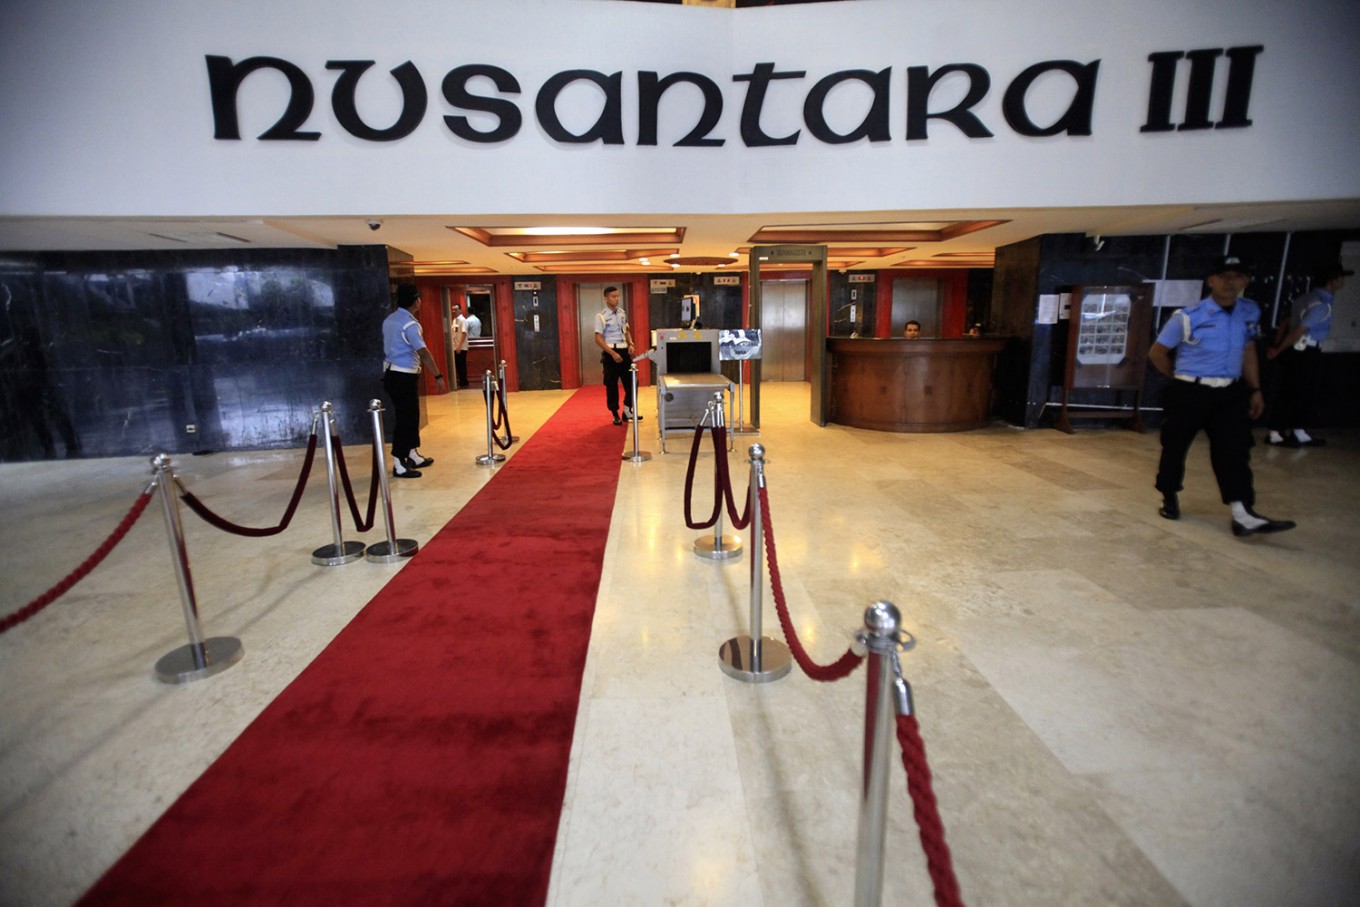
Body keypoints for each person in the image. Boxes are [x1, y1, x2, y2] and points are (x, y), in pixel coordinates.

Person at [1147, 255, 1295, 537]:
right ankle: (1169, 495)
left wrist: (1255, 389)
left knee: (1235, 451)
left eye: (1236, 276)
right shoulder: (1189, 316)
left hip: (1228, 391)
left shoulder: (1248, 313)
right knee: (1175, 447)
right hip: (1190, 390)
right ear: (1211, 281)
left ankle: (1242, 513)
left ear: (1244, 281)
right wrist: (1180, 378)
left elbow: (1248, 351)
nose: (1230, 282)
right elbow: (1157, 353)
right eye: (1224, 276)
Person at [1265, 261, 1350, 447]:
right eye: (1340, 278)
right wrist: (1279, 349)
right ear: (1332, 281)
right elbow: (1299, 331)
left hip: (1296, 351)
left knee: (1294, 391)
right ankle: (1281, 432)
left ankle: (1293, 430)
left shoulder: (1305, 298)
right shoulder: (1320, 305)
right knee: (1298, 392)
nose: (1342, 281)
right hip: (1304, 351)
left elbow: (1286, 321)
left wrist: (1278, 344)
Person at [382, 285, 445, 478]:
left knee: (411, 415)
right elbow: (423, 353)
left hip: (393, 373)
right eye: (419, 299)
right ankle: (399, 463)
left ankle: (412, 453)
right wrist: (438, 375)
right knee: (405, 418)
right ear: (416, 300)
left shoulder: (390, 319)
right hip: (403, 375)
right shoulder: (409, 324)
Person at [594, 286, 640, 425]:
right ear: (606, 298)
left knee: (632, 382)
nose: (617, 299)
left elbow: (626, 331)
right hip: (611, 353)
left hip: (624, 351)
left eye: (618, 296)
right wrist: (613, 353)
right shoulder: (601, 316)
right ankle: (614, 413)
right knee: (612, 384)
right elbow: (598, 338)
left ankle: (627, 410)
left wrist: (631, 343)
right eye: (613, 296)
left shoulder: (622, 313)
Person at [452, 303, 470, 388]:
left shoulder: (463, 320)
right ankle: (460, 381)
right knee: (457, 365)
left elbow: (464, 333)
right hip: (455, 346)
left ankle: (464, 381)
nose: (454, 311)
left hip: (461, 347)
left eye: (456, 309)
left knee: (461, 364)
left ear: (460, 310)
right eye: (453, 310)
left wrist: (459, 346)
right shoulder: (454, 320)